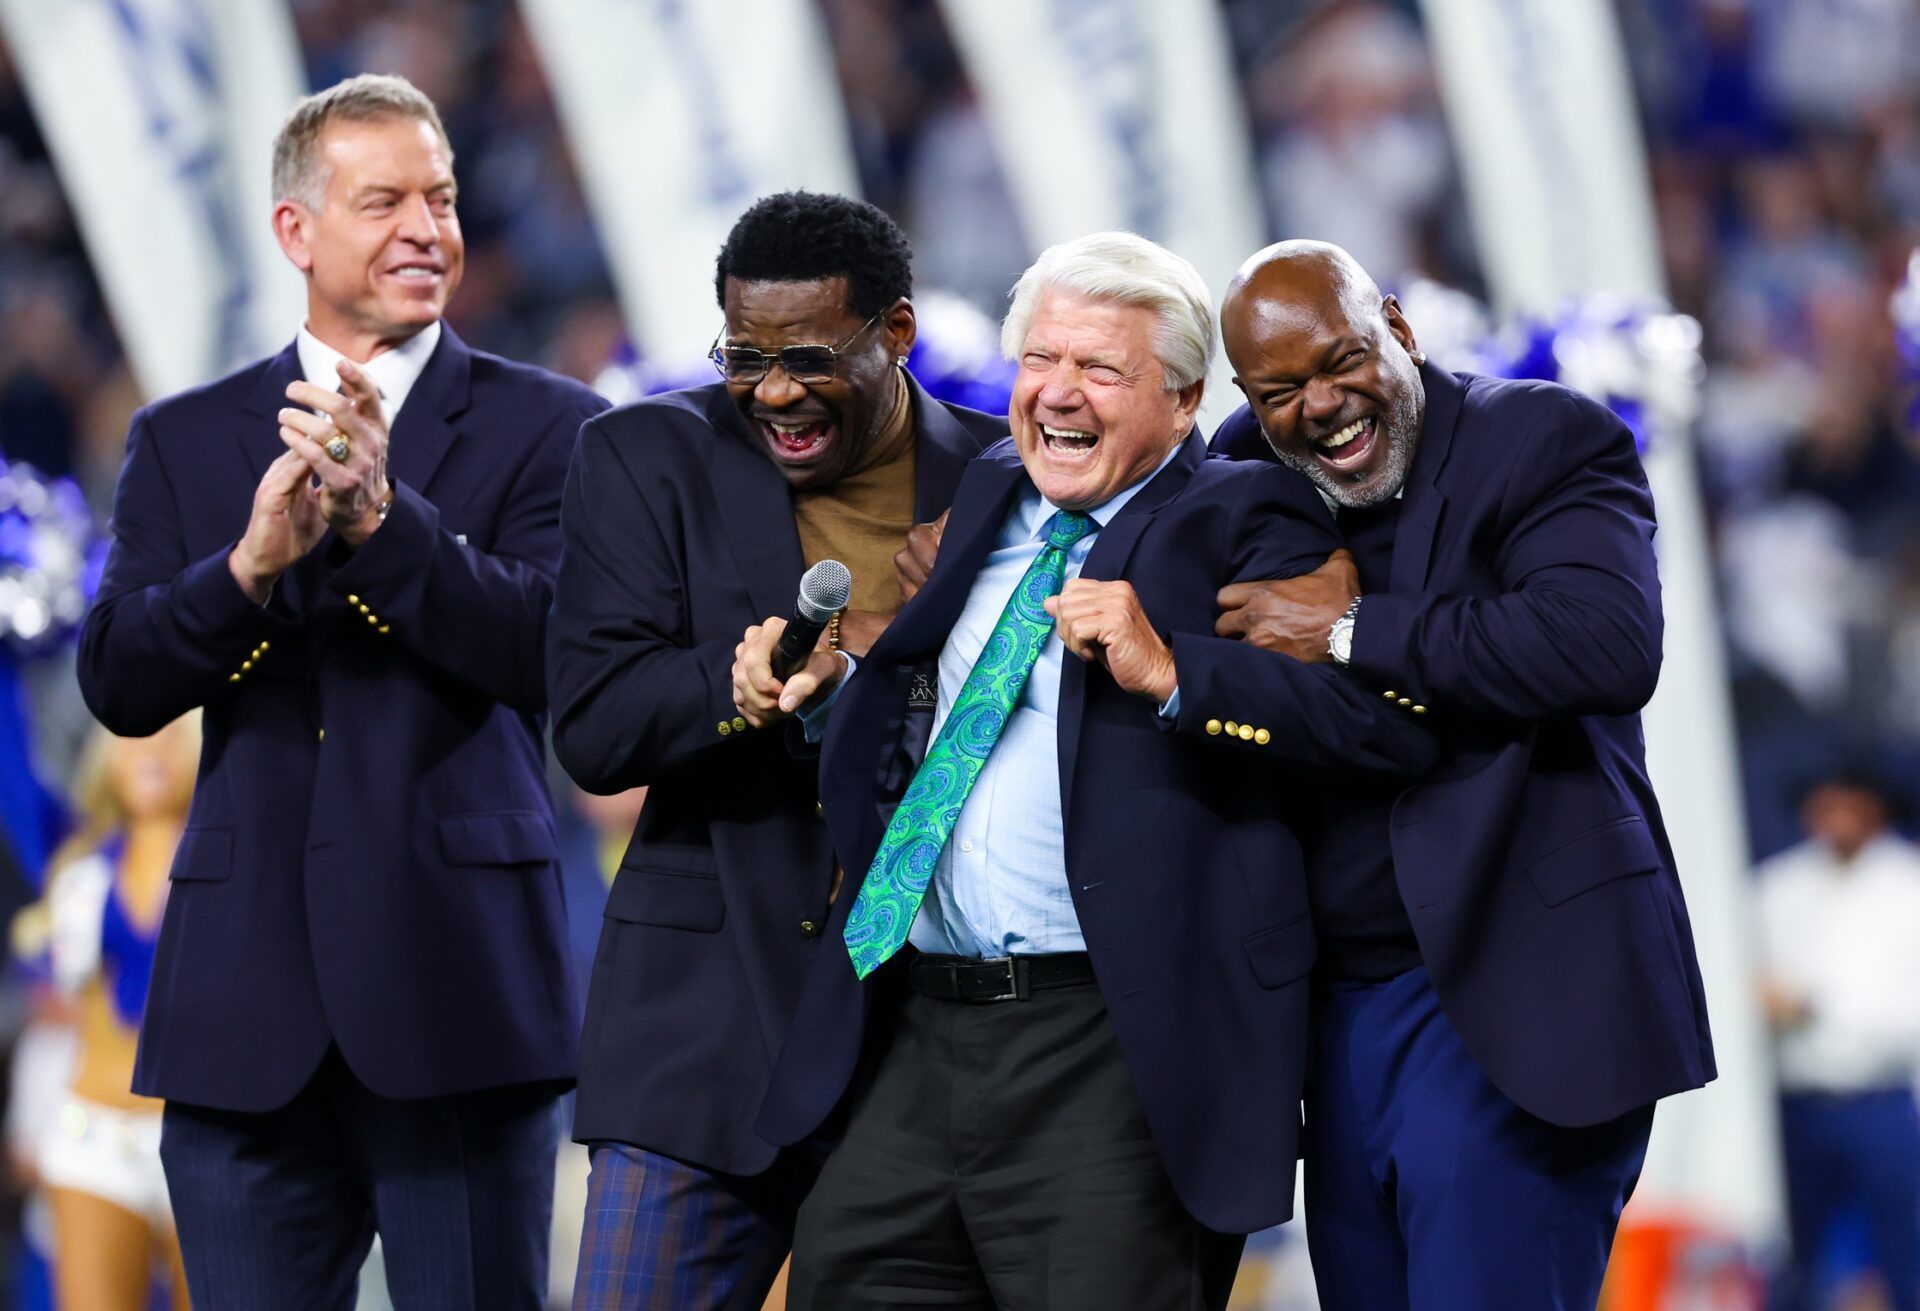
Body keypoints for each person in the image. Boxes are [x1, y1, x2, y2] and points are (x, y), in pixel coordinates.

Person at [743, 232, 1438, 1310]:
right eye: (1041, 360)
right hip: (914, 1022)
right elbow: (940, 704)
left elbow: (1369, 729)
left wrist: (1175, 675)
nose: (1057, 393)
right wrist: (828, 687)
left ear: (1183, 396)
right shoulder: (989, 492)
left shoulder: (1247, 513)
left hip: (1112, 1045)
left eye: (1099, 369)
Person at [76, 73, 605, 1307]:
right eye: (385, 201)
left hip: (459, 998)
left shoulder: (559, 428)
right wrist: (248, 569)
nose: (428, 227)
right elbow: (119, 680)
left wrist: (383, 519)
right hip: (240, 1012)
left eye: (444, 197)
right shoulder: (188, 437)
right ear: (296, 232)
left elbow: (552, 655)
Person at [1208, 239, 1715, 1311]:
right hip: (1335, 1019)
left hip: (1512, 996)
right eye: (1281, 390)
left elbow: (1605, 644)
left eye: (1343, 359)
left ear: (1397, 326)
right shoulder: (1244, 469)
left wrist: (1352, 630)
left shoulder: (1538, 435)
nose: (1323, 405)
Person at [545, 190, 1005, 1310]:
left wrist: (903, 656)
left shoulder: (1003, 482)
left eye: (808, 356)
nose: (776, 392)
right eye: (744, 356)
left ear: (895, 333)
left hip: (922, 1046)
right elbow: (595, 727)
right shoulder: (641, 457)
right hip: (697, 1041)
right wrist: (732, 686)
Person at [38, 717, 199, 1309]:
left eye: (171, 733)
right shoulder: (79, 875)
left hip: (208, 1141)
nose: (152, 746)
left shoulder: (237, 872)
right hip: (96, 1139)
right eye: (136, 732)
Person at [1757, 769, 1920, 1311]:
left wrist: (1813, 1008)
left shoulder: (1907, 887)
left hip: (1882, 1101)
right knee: (1789, 1252)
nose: (1835, 820)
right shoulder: (1775, 887)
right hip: (1797, 1100)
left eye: (1848, 807)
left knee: (1906, 1248)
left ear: (1875, 809)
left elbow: (1904, 1012)